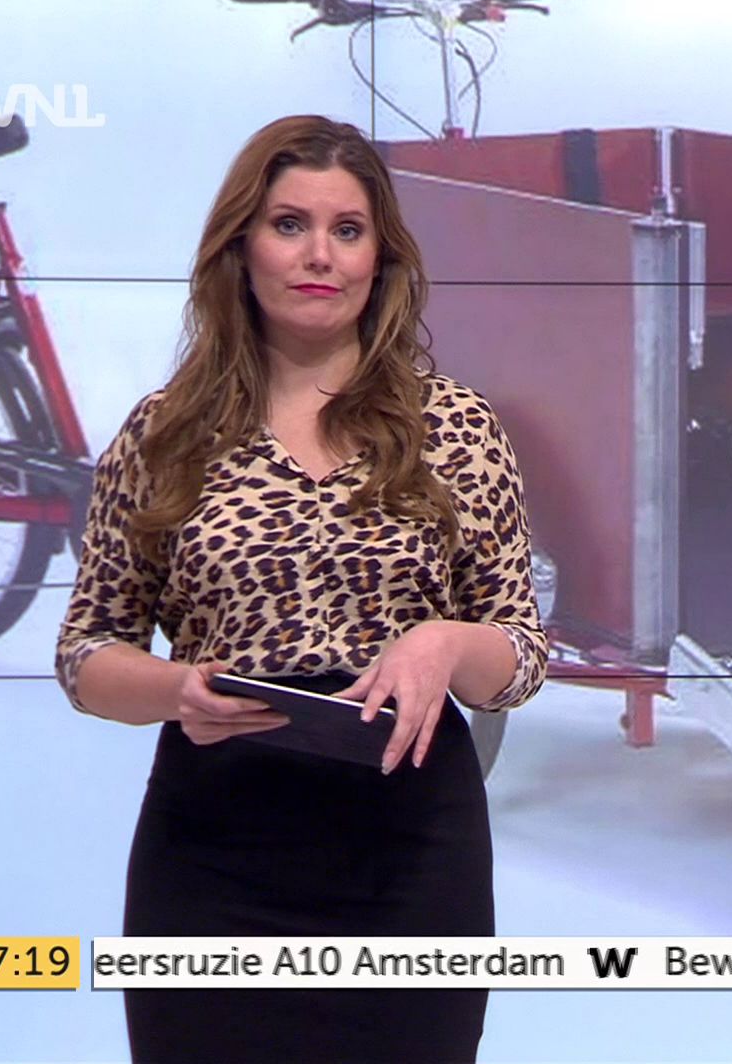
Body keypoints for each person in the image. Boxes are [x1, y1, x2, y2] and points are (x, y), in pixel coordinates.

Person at [54, 114, 547, 1063]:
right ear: (240, 247)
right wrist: (177, 690)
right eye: (290, 225)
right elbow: (87, 655)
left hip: (409, 853)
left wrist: (444, 643)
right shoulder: (164, 435)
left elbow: (520, 655)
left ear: (380, 257)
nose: (320, 254)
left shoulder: (457, 429)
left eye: (347, 230)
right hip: (215, 849)